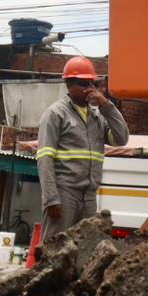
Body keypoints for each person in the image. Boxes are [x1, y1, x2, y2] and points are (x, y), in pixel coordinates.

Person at [35, 56, 129, 241]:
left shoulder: (98, 117)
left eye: (91, 83)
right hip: (64, 193)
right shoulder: (56, 114)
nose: (89, 88)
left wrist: (106, 106)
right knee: (55, 249)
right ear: (69, 85)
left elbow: (122, 138)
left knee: (84, 252)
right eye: (83, 83)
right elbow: (45, 159)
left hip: (88, 196)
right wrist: (52, 199)